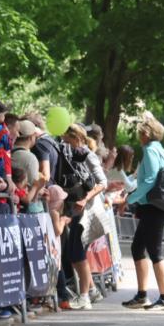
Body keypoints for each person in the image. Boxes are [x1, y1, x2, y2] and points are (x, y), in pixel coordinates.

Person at [122, 112, 164, 311]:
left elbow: (151, 180)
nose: (139, 137)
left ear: (147, 134)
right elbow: (146, 179)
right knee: (137, 248)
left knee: (154, 251)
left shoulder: (151, 151)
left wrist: (130, 198)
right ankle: (142, 294)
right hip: (158, 206)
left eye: (140, 133)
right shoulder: (161, 150)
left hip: (153, 207)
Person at [59, 123, 107, 310]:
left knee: (78, 252)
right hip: (78, 211)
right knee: (73, 253)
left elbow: (102, 182)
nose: (65, 144)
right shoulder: (73, 155)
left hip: (87, 211)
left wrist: (84, 199)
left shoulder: (88, 156)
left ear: (76, 139)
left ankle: (85, 296)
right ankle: (92, 291)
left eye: (68, 140)